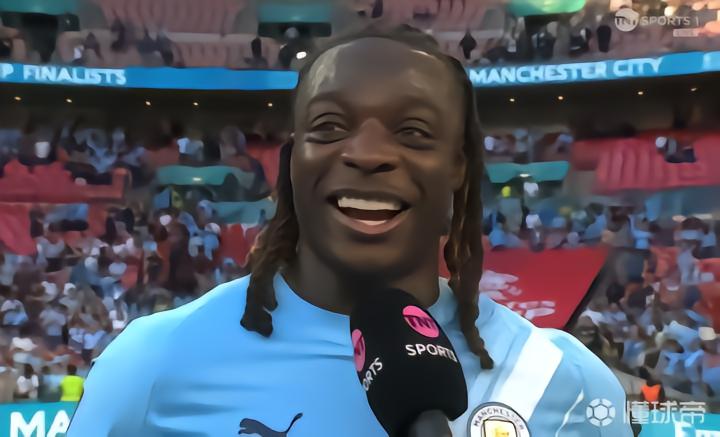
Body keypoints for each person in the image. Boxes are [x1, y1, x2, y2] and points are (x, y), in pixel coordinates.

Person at [69, 27, 631, 436]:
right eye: (330, 126)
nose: (367, 154)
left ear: (458, 167)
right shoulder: (152, 363)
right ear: (293, 160)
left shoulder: (563, 382)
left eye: (414, 131)